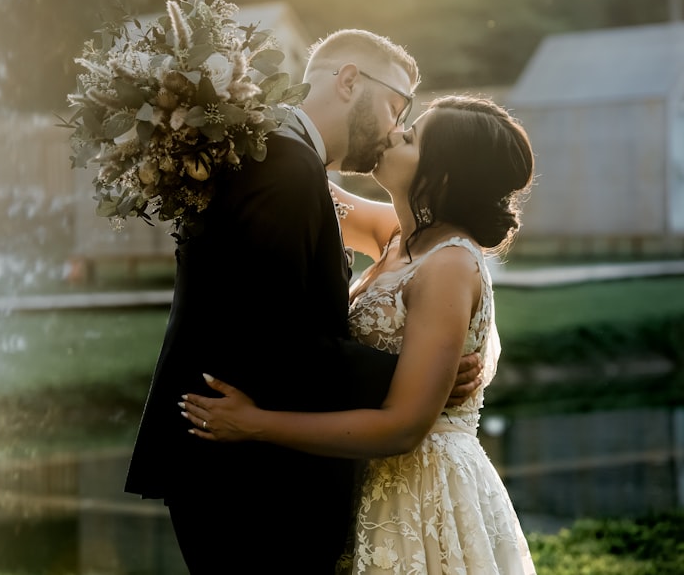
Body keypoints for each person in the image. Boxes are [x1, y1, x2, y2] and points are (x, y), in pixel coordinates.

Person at [123, 30, 482, 574]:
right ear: (348, 80)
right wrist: (411, 379)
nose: (394, 129)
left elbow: (417, 238)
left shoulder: (282, 158)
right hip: (247, 477)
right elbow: (279, 339)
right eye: (395, 106)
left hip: (238, 463)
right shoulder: (285, 168)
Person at [181, 94, 538, 573]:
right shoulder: (397, 234)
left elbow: (405, 427)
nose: (392, 133)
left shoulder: (449, 264)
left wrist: (253, 422)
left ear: (444, 175)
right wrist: (208, 105)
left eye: (409, 137)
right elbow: (302, 178)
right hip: (359, 475)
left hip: (419, 492)